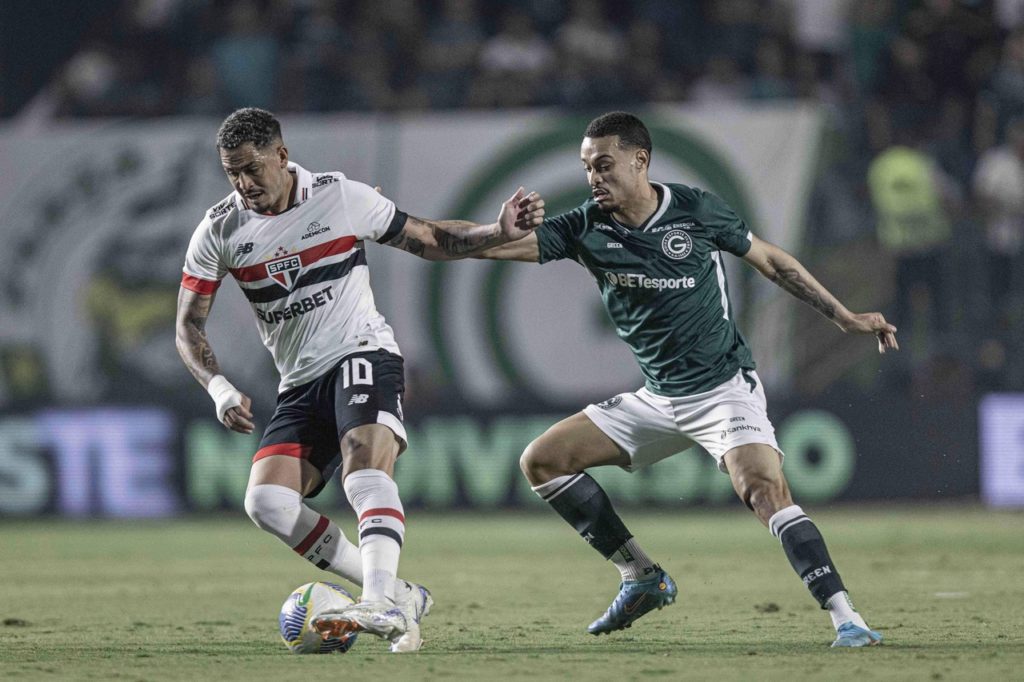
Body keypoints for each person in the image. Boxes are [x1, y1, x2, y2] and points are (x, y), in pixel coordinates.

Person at [473, 112, 897, 648]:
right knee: (542, 460)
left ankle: (847, 618)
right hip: (658, 399)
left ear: (639, 160)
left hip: (723, 390)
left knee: (763, 489)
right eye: (586, 168)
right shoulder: (583, 227)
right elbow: (469, 246)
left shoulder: (694, 209)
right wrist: (401, 226)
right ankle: (641, 575)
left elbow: (771, 261)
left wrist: (846, 318)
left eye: (603, 165)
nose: (593, 178)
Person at [175, 107, 544, 651]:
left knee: (362, 465)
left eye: (253, 169)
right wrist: (218, 387)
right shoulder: (220, 229)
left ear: (282, 155)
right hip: (299, 383)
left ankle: (375, 604)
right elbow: (187, 326)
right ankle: (399, 595)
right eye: (232, 172)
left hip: (361, 351)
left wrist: (496, 232)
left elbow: (429, 238)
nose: (243, 184)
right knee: (267, 505)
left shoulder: (339, 196)